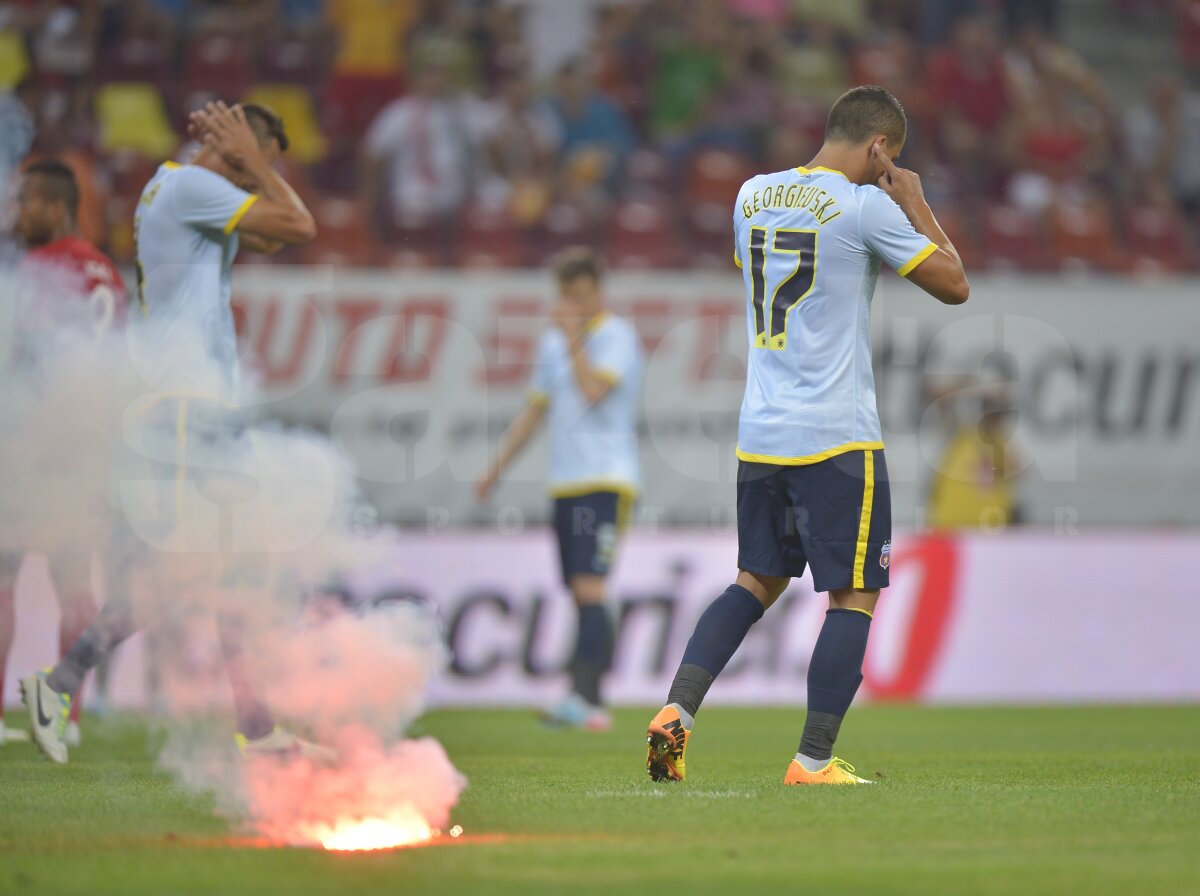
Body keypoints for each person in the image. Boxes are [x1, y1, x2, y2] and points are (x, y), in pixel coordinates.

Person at [645, 85, 969, 785]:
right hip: (837, 435)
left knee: (754, 581)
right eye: (892, 159)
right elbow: (955, 284)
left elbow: (766, 273)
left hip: (761, 432)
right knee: (854, 595)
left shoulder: (750, 195)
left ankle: (676, 711)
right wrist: (914, 201)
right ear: (880, 148)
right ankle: (812, 761)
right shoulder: (868, 205)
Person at [20, 101, 321, 764]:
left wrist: (250, 163)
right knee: (191, 571)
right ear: (231, 146)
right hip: (187, 404)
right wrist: (248, 159)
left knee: (225, 566)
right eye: (259, 161)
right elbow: (300, 224)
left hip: (195, 404)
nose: (260, 177)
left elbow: (272, 237)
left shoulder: (184, 191)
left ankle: (255, 723)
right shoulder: (192, 187)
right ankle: (60, 684)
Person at [476, 248, 643, 730]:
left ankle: (586, 700)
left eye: (581, 295)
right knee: (578, 589)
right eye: (567, 296)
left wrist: (572, 337)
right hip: (565, 483)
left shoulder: (616, 336)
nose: (573, 304)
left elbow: (594, 390)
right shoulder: (554, 345)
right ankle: (585, 696)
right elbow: (535, 409)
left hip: (605, 480)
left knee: (591, 586)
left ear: (597, 290)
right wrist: (497, 468)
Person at [0, 159, 126, 749]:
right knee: (76, 584)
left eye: (25, 203)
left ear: (53, 207)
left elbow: (19, 360)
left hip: (33, 444)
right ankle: (65, 719)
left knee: (4, 579)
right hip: (87, 449)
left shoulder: (38, 267)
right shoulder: (108, 273)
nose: (16, 214)